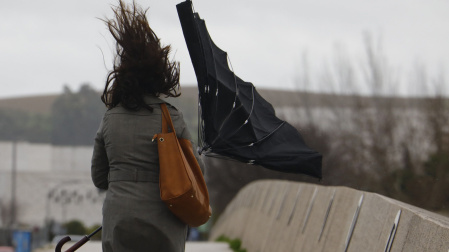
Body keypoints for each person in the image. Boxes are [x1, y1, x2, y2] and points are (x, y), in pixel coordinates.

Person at [91, 1, 204, 251]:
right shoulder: (171, 117)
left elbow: (99, 178)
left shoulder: (110, 118)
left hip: (119, 219)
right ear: (160, 75)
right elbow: (196, 171)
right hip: (163, 222)